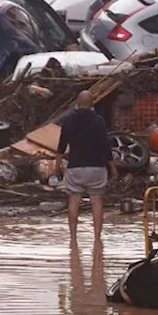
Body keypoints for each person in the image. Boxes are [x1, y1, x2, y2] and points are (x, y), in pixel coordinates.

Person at [57, 90, 118, 245]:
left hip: (75, 167)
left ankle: (73, 239)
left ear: (77, 103)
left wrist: (57, 166)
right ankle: (97, 238)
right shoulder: (99, 121)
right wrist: (113, 167)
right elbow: (106, 146)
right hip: (96, 167)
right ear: (92, 104)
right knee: (96, 201)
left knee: (73, 201)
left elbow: (61, 146)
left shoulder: (69, 121)